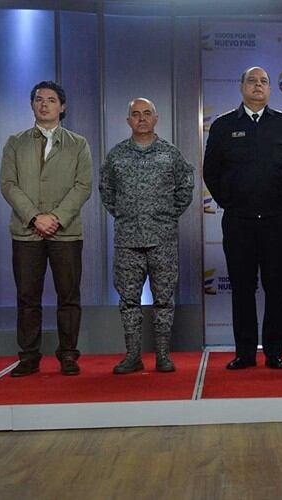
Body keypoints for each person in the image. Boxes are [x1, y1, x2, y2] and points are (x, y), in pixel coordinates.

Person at [203, 66, 282, 370]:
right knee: (242, 288)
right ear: (241, 87)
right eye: (252, 80)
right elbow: (211, 171)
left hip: (276, 220)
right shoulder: (223, 126)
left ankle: (275, 352)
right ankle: (245, 352)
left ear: (270, 90)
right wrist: (230, 202)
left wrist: (278, 196)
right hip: (239, 222)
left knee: (277, 287)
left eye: (263, 82)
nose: (258, 85)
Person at [0, 81, 92, 377]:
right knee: (27, 297)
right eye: (39, 99)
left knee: (68, 295)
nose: (44, 104)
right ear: (32, 105)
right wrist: (35, 217)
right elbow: (8, 184)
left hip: (66, 232)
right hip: (26, 232)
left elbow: (83, 186)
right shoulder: (15, 142)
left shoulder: (78, 143)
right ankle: (28, 357)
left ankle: (68, 355)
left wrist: (56, 217)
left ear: (62, 107)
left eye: (51, 100)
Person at [100, 98, 194, 374]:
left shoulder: (171, 154)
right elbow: (107, 192)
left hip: (162, 239)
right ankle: (133, 356)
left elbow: (185, 190)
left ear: (156, 118)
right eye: (135, 114)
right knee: (129, 301)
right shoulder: (116, 155)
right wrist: (126, 215)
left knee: (164, 299)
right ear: (128, 120)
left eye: (147, 114)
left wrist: (165, 216)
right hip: (128, 241)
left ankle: (163, 355)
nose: (141, 118)